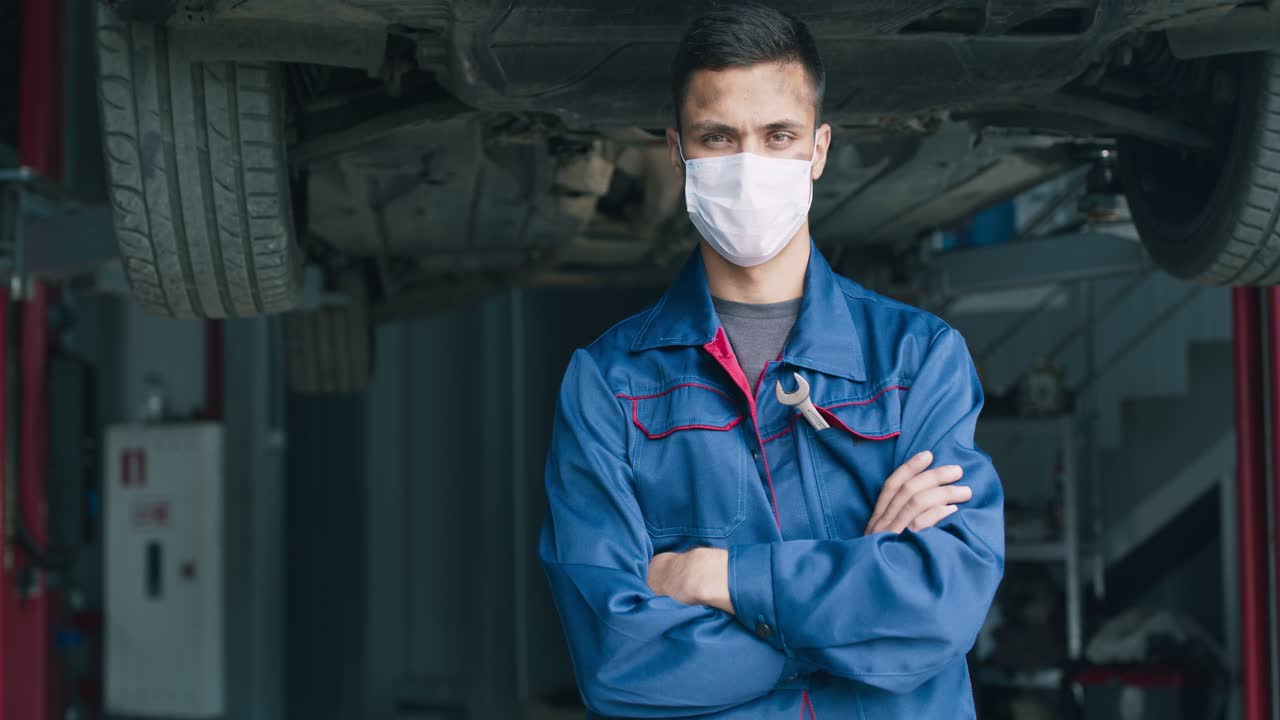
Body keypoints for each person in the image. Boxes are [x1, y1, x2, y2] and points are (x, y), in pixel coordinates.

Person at [538, 5, 1005, 718]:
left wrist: (722, 580)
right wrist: (854, 591)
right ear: (677, 153)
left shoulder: (916, 360)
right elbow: (621, 662)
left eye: (777, 136)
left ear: (818, 149)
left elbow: (941, 607)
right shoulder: (609, 387)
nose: (748, 166)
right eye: (718, 138)